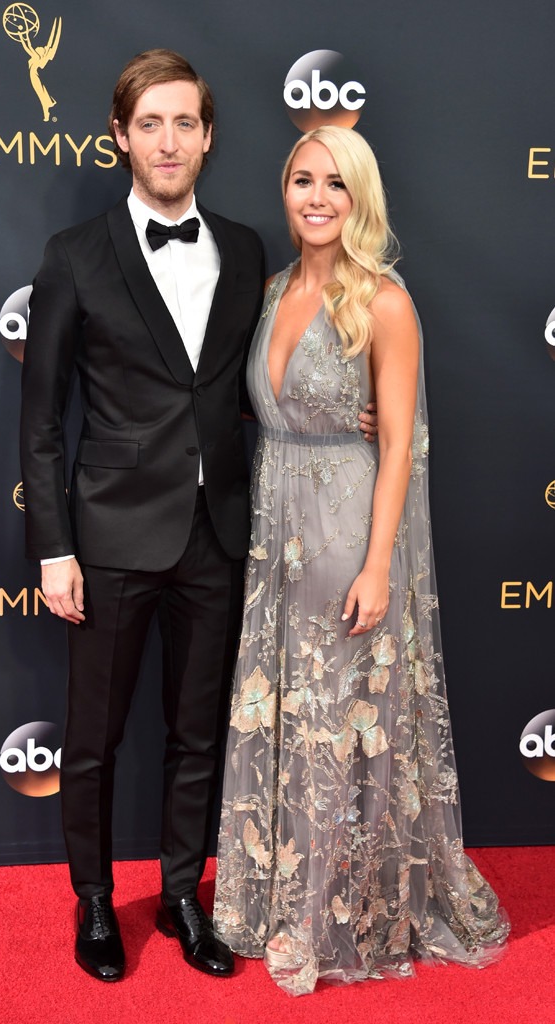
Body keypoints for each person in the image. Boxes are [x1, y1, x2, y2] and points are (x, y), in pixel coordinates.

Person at [20, 47, 379, 983]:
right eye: (150, 123)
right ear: (121, 137)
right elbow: (42, 419)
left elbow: (255, 386)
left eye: (185, 122)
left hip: (221, 535)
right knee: (92, 740)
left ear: (209, 137)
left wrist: (348, 414)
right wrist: (53, 547)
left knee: (198, 732)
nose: (169, 140)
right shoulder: (73, 256)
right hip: (107, 540)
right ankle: (96, 902)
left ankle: (184, 895)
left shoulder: (248, 248)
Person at [213, 126, 509, 995]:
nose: (316, 198)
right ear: (284, 188)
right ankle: (282, 896)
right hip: (276, 536)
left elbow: (403, 449)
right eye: (302, 180)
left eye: (335, 185)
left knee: (346, 724)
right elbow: (262, 411)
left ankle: (347, 913)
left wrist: (379, 564)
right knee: (288, 713)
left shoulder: (383, 301)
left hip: (347, 535)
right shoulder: (268, 292)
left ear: (361, 198)